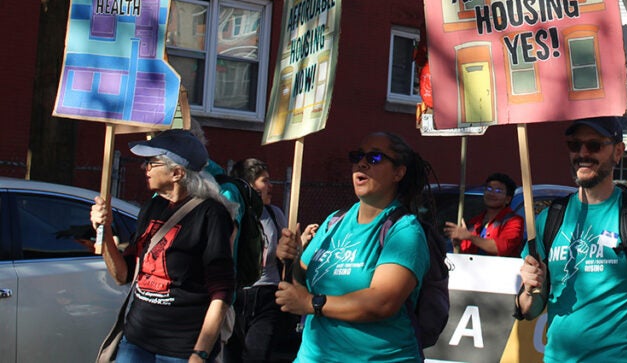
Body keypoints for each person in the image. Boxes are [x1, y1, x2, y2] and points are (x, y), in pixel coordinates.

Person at [515, 116, 627, 363]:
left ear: (617, 152)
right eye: (575, 145)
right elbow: (530, 310)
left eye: (594, 145)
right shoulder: (547, 220)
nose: (583, 153)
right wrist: (529, 289)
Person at [275, 131, 432, 362]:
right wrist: (289, 258)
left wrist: (312, 303)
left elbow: (382, 303)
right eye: (358, 156)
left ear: (399, 172)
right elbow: (298, 286)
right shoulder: (333, 223)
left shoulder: (404, 231)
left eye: (374, 158)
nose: (362, 163)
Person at [91, 129, 236, 363]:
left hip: (181, 349)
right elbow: (123, 275)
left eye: (151, 163)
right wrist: (105, 230)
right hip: (136, 341)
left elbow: (221, 292)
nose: (144, 168)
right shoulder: (152, 208)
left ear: (177, 173)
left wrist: (199, 353)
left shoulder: (211, 214)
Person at [225, 159, 300, 363]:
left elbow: (286, 255)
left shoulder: (275, 214)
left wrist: (292, 248)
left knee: (257, 355)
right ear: (248, 184)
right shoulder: (231, 213)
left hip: (266, 296)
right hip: (235, 297)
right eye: (264, 181)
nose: (271, 186)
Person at [444, 172, 525, 256]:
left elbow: (503, 248)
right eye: (489, 189)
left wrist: (469, 237)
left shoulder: (514, 221)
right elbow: (464, 255)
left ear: (508, 199)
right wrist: (457, 245)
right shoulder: (474, 222)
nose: (492, 194)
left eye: (498, 191)